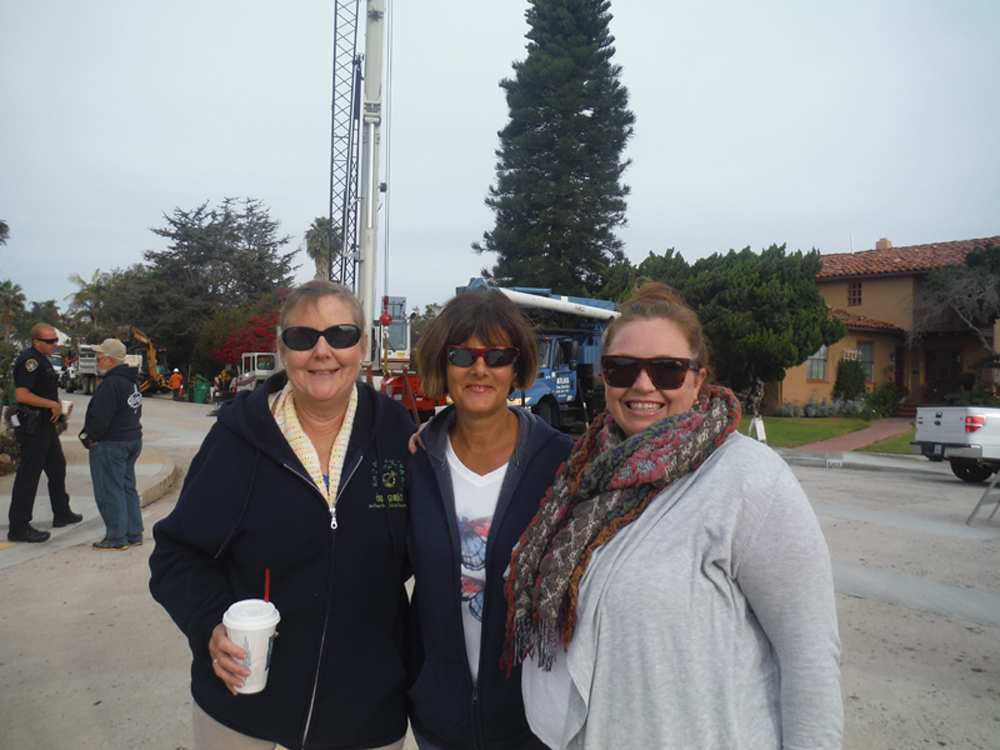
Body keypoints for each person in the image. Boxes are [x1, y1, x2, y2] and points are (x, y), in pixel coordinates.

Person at [505, 282, 843, 749]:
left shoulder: (748, 479)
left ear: (698, 379)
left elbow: (810, 659)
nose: (643, 385)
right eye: (622, 368)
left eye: (667, 370)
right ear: (603, 377)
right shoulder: (581, 477)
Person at [149, 280, 414, 750]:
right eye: (301, 338)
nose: (322, 351)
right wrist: (209, 624)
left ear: (364, 345)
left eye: (341, 334)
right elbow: (176, 554)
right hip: (242, 704)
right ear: (280, 347)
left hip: (364, 711)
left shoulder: (398, 434)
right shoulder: (236, 438)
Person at [407, 290, 572, 750]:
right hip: (441, 721)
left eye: (498, 355)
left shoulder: (562, 463)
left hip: (532, 726)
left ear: (516, 368)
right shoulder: (416, 462)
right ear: (444, 364)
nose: (481, 369)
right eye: (463, 355)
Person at [7, 323, 82, 543]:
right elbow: (21, 395)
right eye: (50, 341)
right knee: (28, 476)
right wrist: (50, 403)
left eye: (55, 340)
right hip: (33, 426)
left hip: (45, 426)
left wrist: (57, 405)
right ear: (36, 341)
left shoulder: (43, 359)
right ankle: (19, 527)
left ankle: (62, 512)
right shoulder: (29, 361)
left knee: (57, 468)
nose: (54, 344)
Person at [81, 338, 143, 551]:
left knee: (110, 490)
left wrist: (90, 437)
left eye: (99, 356)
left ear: (109, 359)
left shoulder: (111, 383)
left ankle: (116, 537)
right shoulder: (131, 381)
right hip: (132, 440)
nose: (97, 360)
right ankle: (134, 533)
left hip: (112, 444)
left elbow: (100, 418)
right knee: (127, 488)